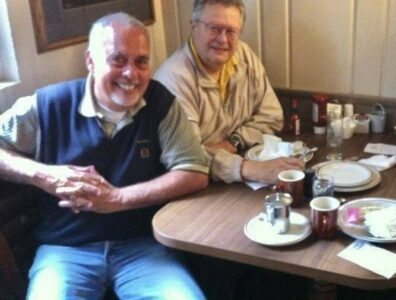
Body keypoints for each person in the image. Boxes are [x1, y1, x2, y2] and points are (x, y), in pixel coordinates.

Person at [0, 13, 210, 299]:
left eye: (141, 62)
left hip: (144, 247)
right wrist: (45, 175)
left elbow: (194, 172)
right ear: (90, 61)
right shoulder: (49, 105)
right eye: (118, 60)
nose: (131, 74)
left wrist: (117, 199)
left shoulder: (161, 104)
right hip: (65, 250)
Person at [154, 0, 304, 184]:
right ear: (194, 27)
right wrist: (245, 168)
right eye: (214, 28)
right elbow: (188, 160)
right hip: (189, 189)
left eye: (231, 31)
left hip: (229, 177)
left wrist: (233, 142)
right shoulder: (173, 79)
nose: (223, 39)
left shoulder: (243, 55)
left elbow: (272, 116)